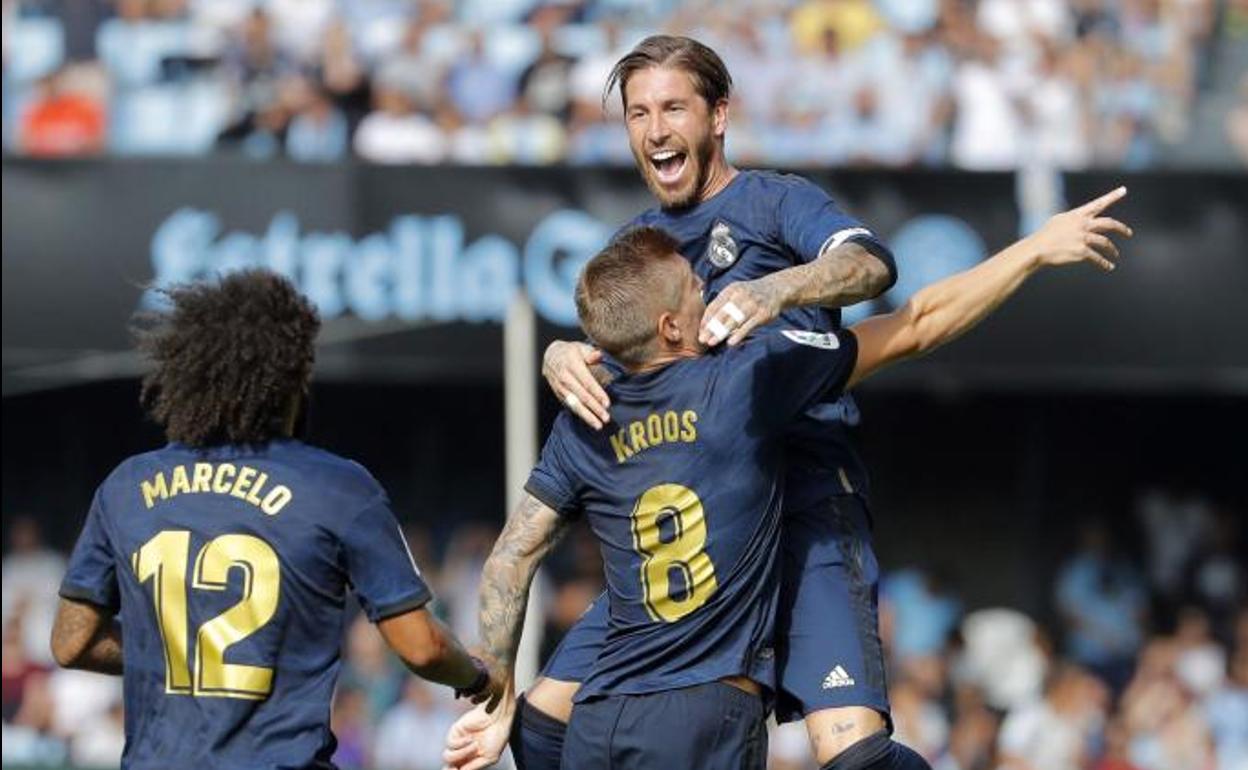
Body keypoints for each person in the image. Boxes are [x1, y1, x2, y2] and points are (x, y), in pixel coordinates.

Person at [445, 188, 1132, 770]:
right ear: (671, 324)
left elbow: (509, 558)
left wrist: (497, 685)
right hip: (706, 709)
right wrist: (1033, 249)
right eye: (694, 286)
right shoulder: (748, 379)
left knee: (536, 727)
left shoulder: (583, 416)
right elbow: (915, 324)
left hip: (609, 711)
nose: (707, 289)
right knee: (858, 757)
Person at [529, 34, 903, 770]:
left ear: (719, 114)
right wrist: (560, 353)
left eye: (673, 107)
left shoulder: (776, 202)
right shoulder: (633, 246)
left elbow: (870, 266)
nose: (656, 129)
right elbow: (620, 369)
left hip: (802, 504)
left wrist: (776, 288)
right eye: (639, 113)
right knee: (539, 726)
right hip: (697, 539)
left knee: (851, 756)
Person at [49, 270, 498, 770]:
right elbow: (422, 647)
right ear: (289, 380)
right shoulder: (339, 487)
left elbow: (71, 643)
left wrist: (188, 659)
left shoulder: (126, 486)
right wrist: (478, 676)